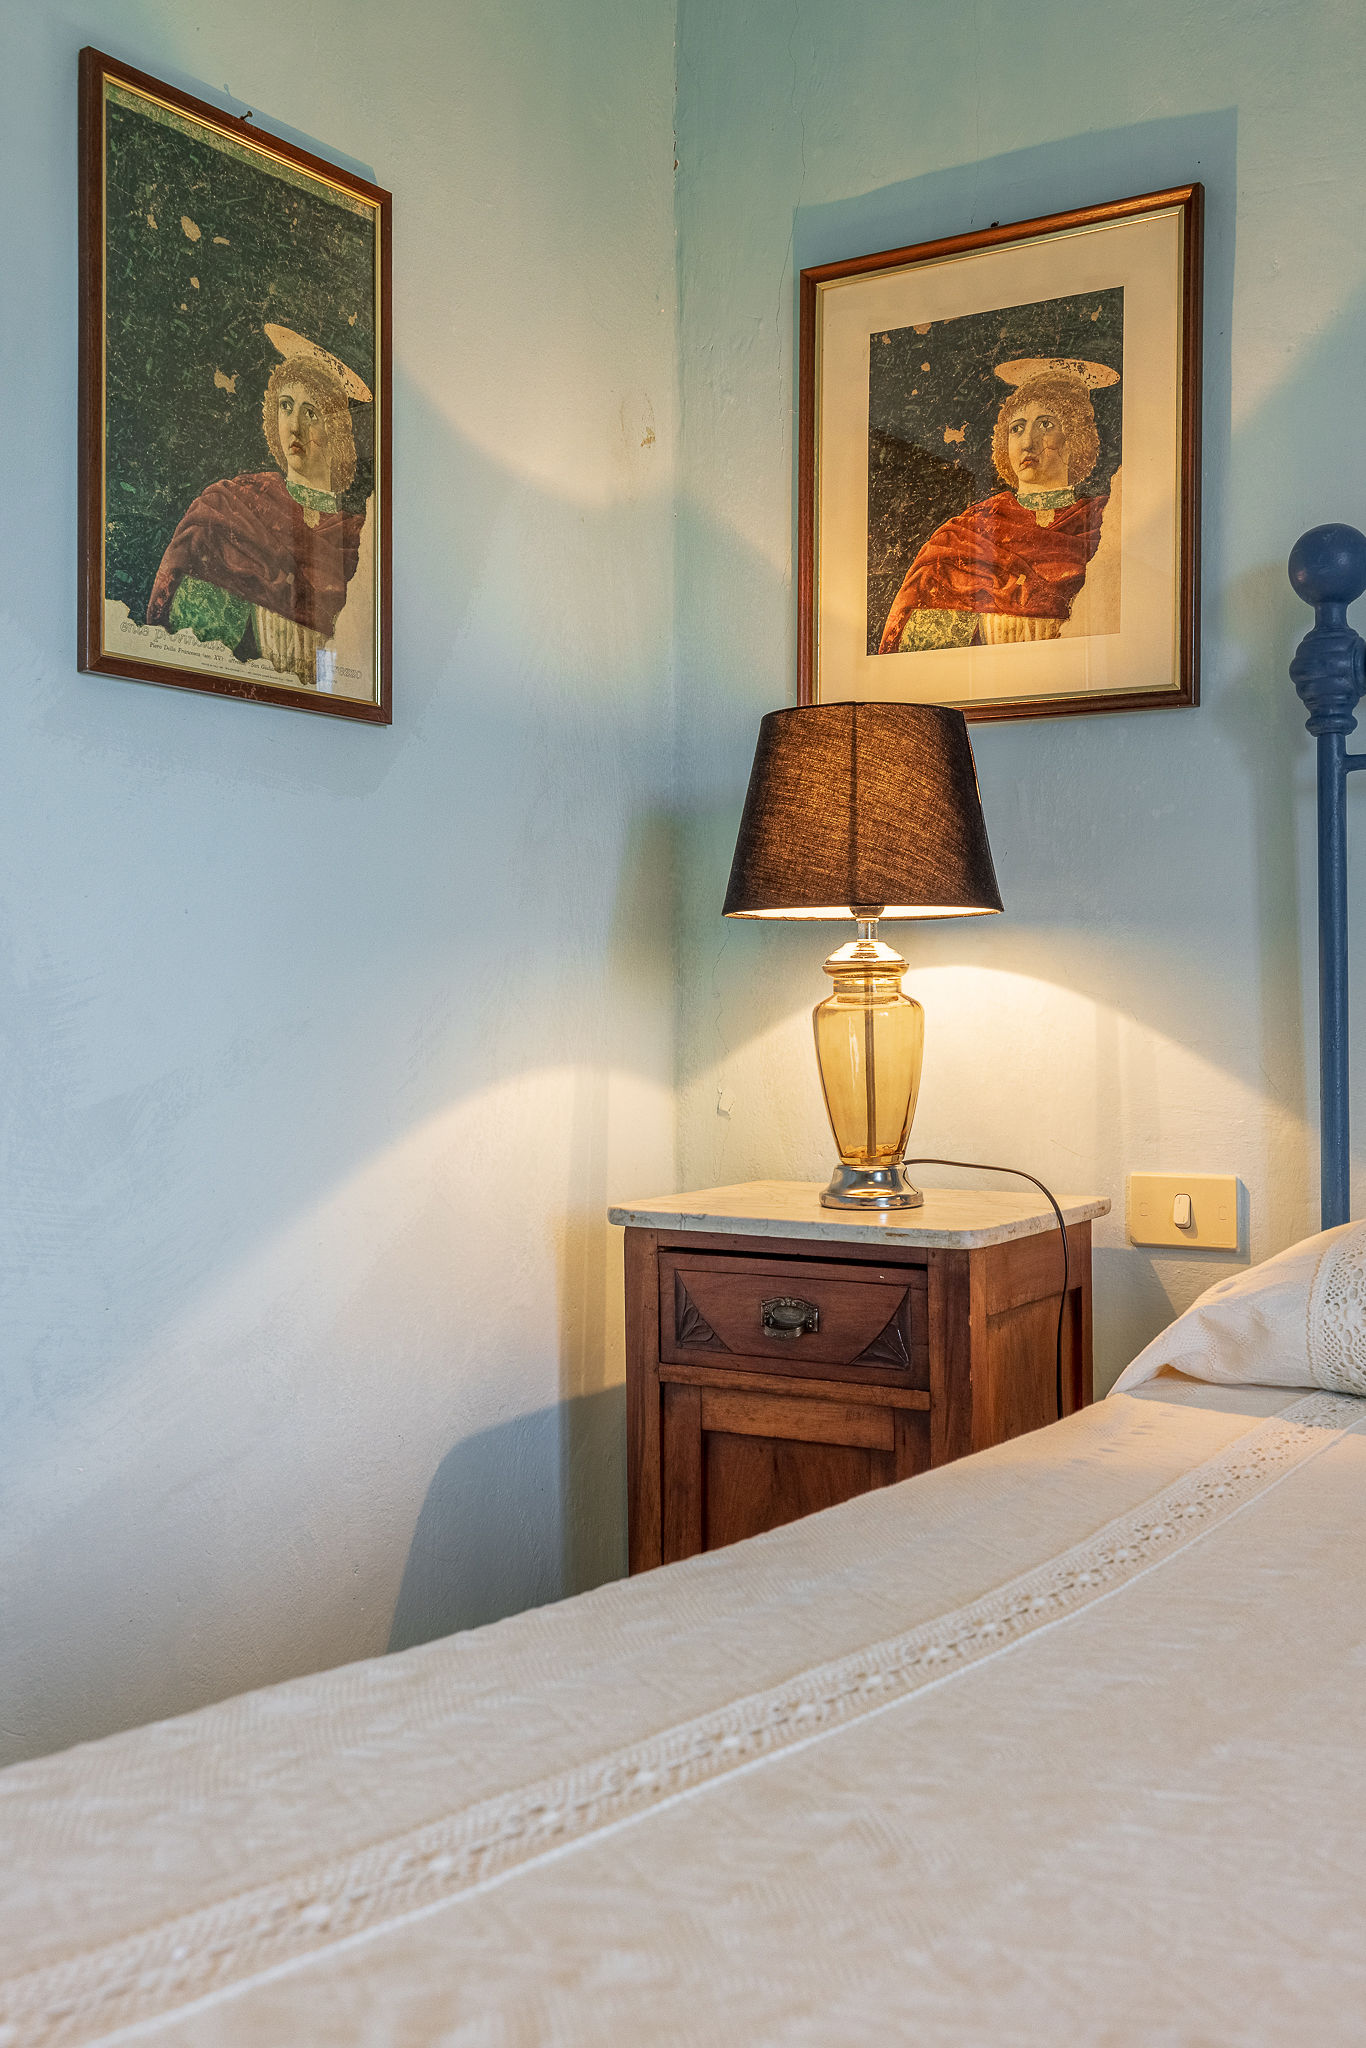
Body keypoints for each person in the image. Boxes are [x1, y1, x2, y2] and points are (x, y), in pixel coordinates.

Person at [147, 329, 370, 688]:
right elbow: (195, 656)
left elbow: (348, 678)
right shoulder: (232, 507)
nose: (294, 426)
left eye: (311, 413)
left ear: (338, 432)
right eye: (286, 406)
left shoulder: (362, 540)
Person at [877, 359, 1119, 655]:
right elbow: (920, 656)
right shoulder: (967, 532)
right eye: (1016, 428)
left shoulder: (1108, 520)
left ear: (1075, 437)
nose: (1027, 442)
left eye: (1046, 424)